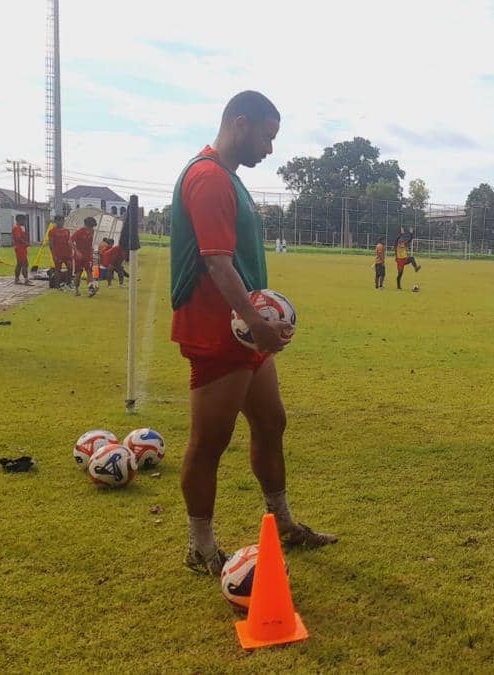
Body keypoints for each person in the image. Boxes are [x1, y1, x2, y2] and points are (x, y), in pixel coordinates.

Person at [169, 90, 336, 576]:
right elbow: (217, 264)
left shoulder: (230, 179)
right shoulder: (207, 178)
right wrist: (257, 321)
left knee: (271, 422)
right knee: (210, 441)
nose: (270, 148)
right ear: (239, 125)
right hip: (218, 331)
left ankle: (281, 524)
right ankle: (200, 547)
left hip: (245, 330)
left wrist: (258, 323)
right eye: (267, 137)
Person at [71, 217, 97, 296]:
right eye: (90, 226)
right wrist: (76, 251)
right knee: (78, 272)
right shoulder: (78, 232)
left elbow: (89, 242)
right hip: (79, 256)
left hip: (88, 255)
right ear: (86, 225)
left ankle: (91, 289)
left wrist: (91, 249)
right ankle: (76, 289)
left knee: (89, 271)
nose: (91, 228)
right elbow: (70, 241)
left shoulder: (92, 231)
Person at [47, 216, 73, 288]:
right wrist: (53, 254)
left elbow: (69, 241)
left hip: (67, 253)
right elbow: (51, 244)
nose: (61, 222)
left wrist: (71, 252)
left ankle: (69, 283)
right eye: (59, 221)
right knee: (58, 269)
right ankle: (57, 285)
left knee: (70, 267)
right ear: (56, 221)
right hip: (58, 253)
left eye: (62, 221)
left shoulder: (66, 230)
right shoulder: (52, 231)